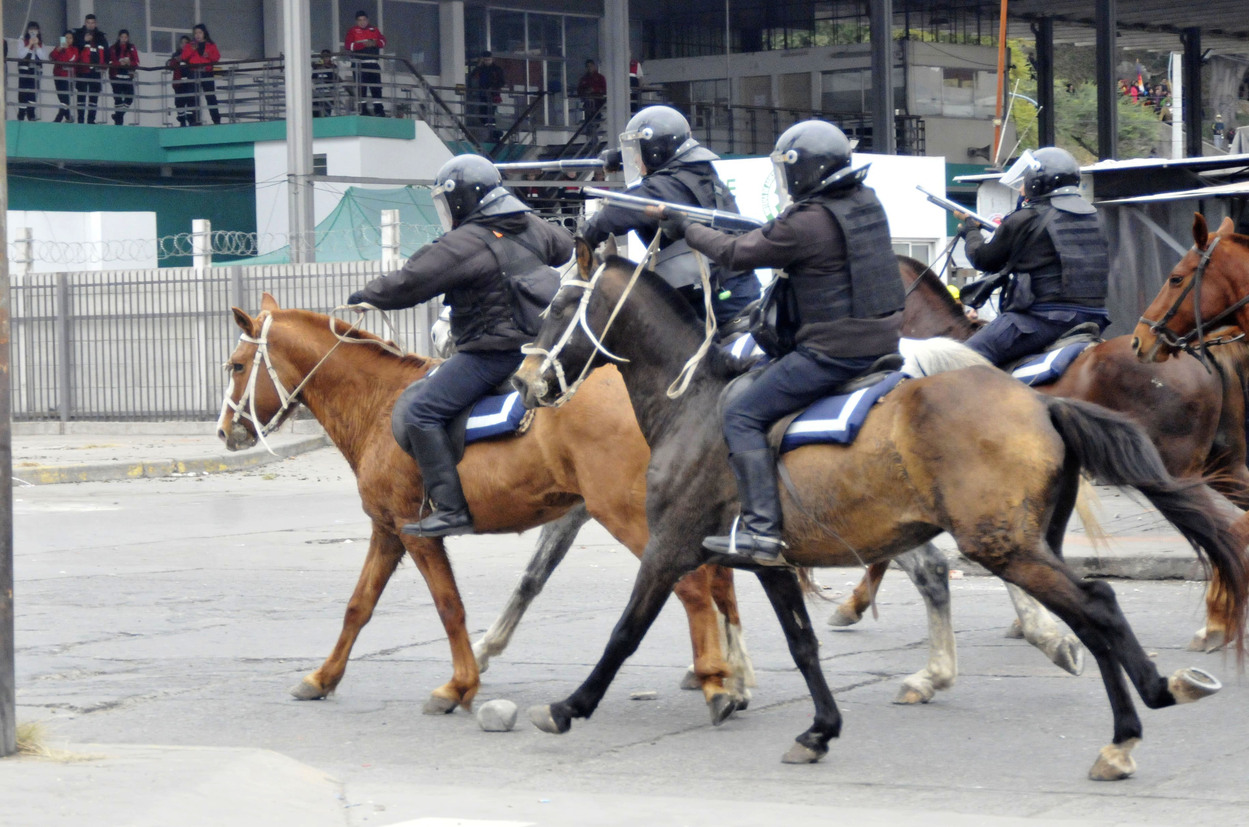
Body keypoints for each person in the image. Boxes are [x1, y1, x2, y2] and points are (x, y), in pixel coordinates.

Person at [659, 120, 906, 565]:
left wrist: (688, 228)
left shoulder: (807, 221)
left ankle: (762, 532)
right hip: (881, 340)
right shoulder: (865, 202)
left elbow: (737, 254)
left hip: (833, 353)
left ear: (805, 169)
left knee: (741, 410)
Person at [345, 155, 572, 536]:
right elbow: (564, 247)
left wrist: (366, 296)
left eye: (446, 202)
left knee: (421, 411)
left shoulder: (463, 243)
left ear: (463, 199)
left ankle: (451, 509)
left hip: (493, 355)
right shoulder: (528, 225)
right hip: (542, 349)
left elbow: (409, 282)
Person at [580, 105, 760, 327]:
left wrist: (584, 237)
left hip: (720, 307)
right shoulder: (696, 173)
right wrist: (620, 157)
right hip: (734, 291)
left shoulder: (666, 187)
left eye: (637, 152)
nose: (635, 160)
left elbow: (609, 217)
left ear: (654, 151)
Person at [954, 146, 1109, 367]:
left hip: (1041, 320)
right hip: (1095, 317)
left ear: (1039, 182)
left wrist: (970, 231)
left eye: (1024, 181)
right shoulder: (1094, 216)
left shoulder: (1025, 218)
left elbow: (983, 259)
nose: (1020, 188)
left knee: (961, 359)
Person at [344, 10, 386, 117]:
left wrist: (375, 42)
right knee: (361, 89)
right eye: (360, 20)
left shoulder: (375, 30)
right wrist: (364, 45)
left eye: (364, 20)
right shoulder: (353, 31)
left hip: (373, 64)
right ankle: (363, 110)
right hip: (359, 64)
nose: (362, 22)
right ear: (356, 21)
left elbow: (383, 42)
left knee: (376, 88)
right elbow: (349, 46)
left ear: (367, 20)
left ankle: (379, 110)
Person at [181, 24, 222, 125]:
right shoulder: (190, 45)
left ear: (204, 33)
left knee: (210, 97)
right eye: (195, 33)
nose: (197, 35)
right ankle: (194, 120)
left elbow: (216, 57)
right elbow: (184, 57)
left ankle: (216, 120)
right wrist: (192, 49)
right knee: (193, 97)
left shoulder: (211, 45)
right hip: (193, 72)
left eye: (200, 33)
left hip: (206, 72)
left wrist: (209, 55)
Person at [17, 21, 50, 121]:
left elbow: (43, 57)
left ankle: (31, 114)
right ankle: (21, 114)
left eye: (35, 29)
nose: (33, 31)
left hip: (36, 70)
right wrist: (29, 44)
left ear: (38, 31)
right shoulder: (22, 41)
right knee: (23, 91)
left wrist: (36, 45)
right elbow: (20, 55)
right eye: (31, 29)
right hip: (24, 69)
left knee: (33, 92)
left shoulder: (41, 44)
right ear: (28, 30)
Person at [466, 51, 505, 130]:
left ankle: (491, 127)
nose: (487, 61)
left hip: (494, 94)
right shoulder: (481, 69)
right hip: (483, 93)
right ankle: (486, 125)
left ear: (492, 59)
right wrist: (478, 66)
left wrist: (493, 87)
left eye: (488, 59)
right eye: (485, 60)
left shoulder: (497, 69)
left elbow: (502, 82)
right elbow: (472, 76)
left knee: (491, 111)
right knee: (482, 111)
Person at [108, 29, 139, 125]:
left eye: (125, 37)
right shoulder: (113, 48)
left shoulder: (131, 48)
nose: (124, 39)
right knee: (118, 100)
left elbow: (136, 61)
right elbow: (109, 61)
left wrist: (129, 62)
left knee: (129, 98)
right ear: (119, 37)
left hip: (127, 76)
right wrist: (119, 62)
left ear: (128, 38)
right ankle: (119, 122)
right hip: (115, 76)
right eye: (122, 37)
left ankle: (118, 116)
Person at [75, 29, 107, 124]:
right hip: (82, 71)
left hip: (96, 73)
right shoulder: (80, 40)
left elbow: (106, 55)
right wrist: (83, 40)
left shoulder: (101, 43)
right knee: (81, 97)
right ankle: (80, 120)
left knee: (93, 98)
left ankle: (91, 120)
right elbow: (73, 49)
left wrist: (104, 66)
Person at [50, 30, 79, 123]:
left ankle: (59, 118)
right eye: (66, 38)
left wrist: (66, 49)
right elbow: (52, 57)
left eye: (70, 38)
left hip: (69, 77)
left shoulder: (74, 49)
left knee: (65, 98)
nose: (68, 40)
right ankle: (68, 117)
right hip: (58, 75)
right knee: (62, 98)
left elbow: (71, 58)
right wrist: (58, 49)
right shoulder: (59, 48)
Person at [167, 35, 194, 126]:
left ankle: (191, 120)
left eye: (186, 43)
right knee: (179, 101)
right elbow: (170, 65)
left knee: (190, 100)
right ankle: (182, 121)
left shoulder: (192, 54)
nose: (183, 45)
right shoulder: (176, 54)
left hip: (190, 82)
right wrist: (176, 60)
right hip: (179, 82)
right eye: (182, 42)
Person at [575, 59, 607, 124]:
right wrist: (585, 91)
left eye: (591, 66)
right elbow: (579, 90)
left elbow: (604, 90)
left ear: (594, 66)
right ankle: (589, 126)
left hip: (598, 101)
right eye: (588, 66)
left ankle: (595, 124)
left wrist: (594, 89)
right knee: (588, 115)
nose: (589, 68)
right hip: (587, 101)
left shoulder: (600, 78)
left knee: (596, 116)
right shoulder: (584, 78)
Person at [312, 50, 338, 118]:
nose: (325, 59)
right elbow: (313, 77)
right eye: (323, 57)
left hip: (329, 93)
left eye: (326, 57)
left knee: (327, 112)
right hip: (318, 93)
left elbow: (333, 77)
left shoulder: (333, 66)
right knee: (316, 113)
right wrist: (318, 67)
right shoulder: (316, 67)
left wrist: (325, 67)